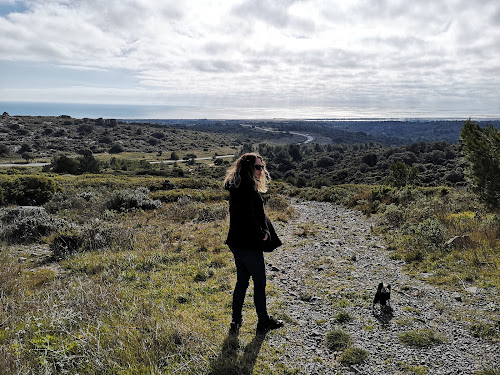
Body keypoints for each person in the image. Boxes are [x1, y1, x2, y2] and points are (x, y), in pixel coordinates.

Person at [224, 152, 284, 334]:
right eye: (258, 167)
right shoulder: (248, 190)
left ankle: (235, 321)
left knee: (241, 282)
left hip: (236, 242)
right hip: (248, 245)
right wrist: (262, 235)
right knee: (260, 283)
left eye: (262, 167)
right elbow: (250, 218)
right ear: (248, 168)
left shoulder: (236, 187)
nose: (261, 170)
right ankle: (263, 322)